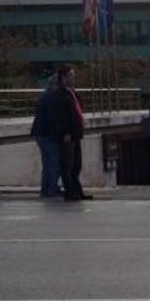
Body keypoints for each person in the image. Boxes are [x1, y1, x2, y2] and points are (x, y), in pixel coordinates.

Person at [51, 66, 93, 202]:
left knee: (76, 165)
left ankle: (78, 191)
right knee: (67, 165)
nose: (73, 78)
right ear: (63, 78)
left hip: (76, 133)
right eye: (70, 76)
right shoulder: (59, 95)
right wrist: (66, 132)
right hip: (68, 135)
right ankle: (69, 192)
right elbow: (60, 116)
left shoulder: (72, 92)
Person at [31, 75, 63, 198]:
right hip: (48, 133)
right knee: (54, 162)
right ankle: (52, 188)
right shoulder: (52, 97)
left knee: (47, 162)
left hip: (40, 133)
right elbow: (53, 117)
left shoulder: (45, 95)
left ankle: (46, 189)